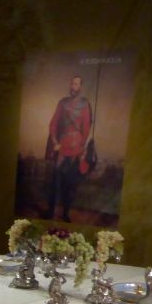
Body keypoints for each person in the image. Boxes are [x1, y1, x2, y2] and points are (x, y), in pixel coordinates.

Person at [44, 75, 92, 223]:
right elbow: (53, 124)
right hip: (61, 146)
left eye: (76, 84)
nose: (73, 86)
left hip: (75, 148)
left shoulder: (85, 104)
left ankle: (65, 214)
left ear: (80, 87)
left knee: (70, 182)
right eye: (72, 83)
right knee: (55, 181)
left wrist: (82, 148)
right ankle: (50, 212)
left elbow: (86, 127)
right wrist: (54, 141)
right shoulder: (62, 103)